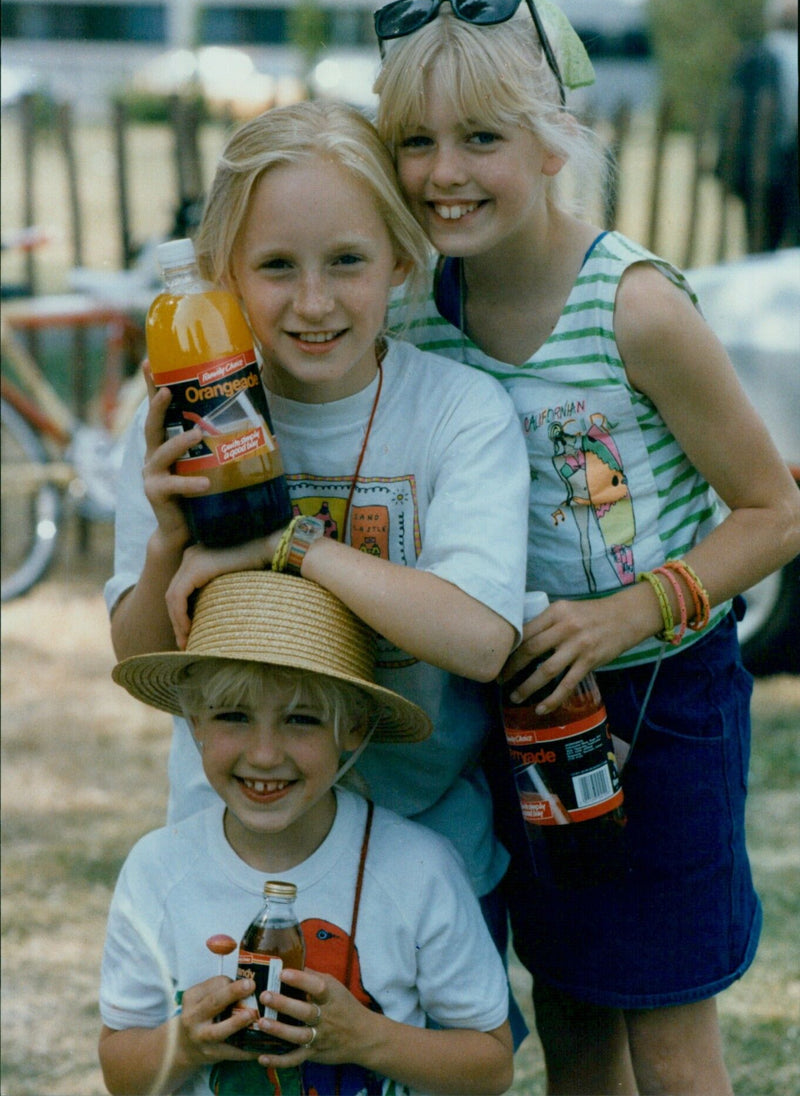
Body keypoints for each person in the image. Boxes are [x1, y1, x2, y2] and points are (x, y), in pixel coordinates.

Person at [373, 0, 800, 1096]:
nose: (443, 173)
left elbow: (772, 513)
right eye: (413, 142)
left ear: (555, 138)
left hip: (660, 705)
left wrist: (624, 614)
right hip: (515, 704)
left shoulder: (635, 308)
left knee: (664, 1023)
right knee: (567, 1003)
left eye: (480, 136)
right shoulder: (416, 310)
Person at [104, 100, 530, 1039]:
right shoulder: (187, 420)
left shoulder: (457, 414)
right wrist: (170, 540)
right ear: (222, 276)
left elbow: (482, 638)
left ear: (402, 260)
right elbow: (144, 665)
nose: (313, 302)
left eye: (347, 261)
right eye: (275, 267)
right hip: (228, 862)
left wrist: (291, 545)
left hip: (426, 867)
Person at [99, 571, 514, 1096]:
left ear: (354, 728)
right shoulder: (156, 868)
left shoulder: (420, 868)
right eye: (233, 715)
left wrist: (364, 1037)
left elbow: (493, 1065)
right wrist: (184, 1043)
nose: (265, 753)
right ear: (193, 722)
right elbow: (120, 1070)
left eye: (302, 719)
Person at [716, 0, 799, 252]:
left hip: (775, 166)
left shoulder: (754, 56)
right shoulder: (756, 58)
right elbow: (734, 118)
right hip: (766, 167)